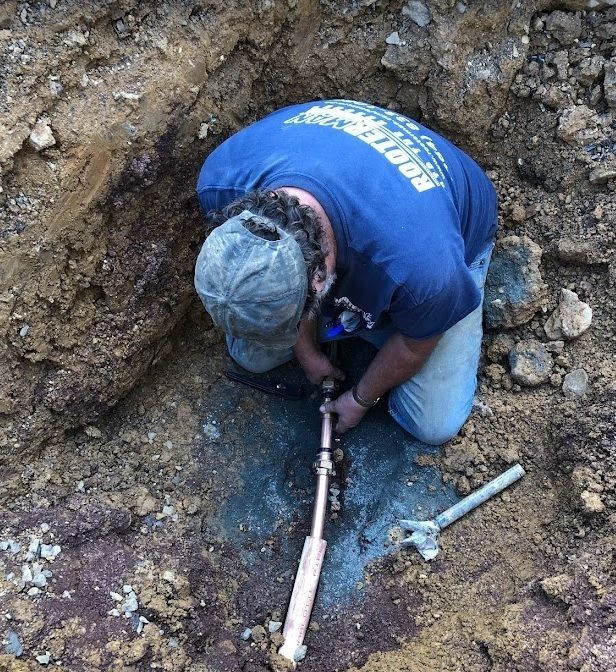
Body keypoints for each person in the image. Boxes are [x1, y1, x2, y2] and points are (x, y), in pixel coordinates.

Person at [194, 100, 497, 444]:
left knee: (431, 424)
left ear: (319, 280)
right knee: (250, 354)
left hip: (450, 225)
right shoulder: (221, 181)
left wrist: (360, 398)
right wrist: (305, 352)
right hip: (341, 162)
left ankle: (376, 324)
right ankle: (355, 328)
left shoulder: (422, 271)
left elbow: (416, 345)